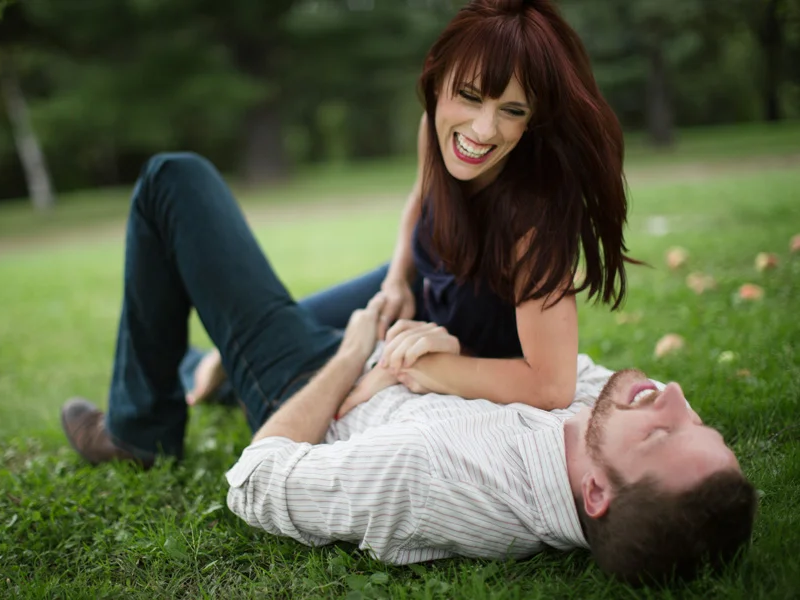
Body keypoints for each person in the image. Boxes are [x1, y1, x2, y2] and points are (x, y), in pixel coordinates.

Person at [60, 152, 756, 586]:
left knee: (173, 181)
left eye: (662, 436)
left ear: (598, 494)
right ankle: (201, 371)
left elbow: (256, 480)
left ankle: (141, 430)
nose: (672, 395)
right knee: (227, 329)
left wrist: (351, 351)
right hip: (398, 348)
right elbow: (559, 376)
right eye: (696, 421)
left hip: (317, 378)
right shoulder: (595, 433)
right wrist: (446, 356)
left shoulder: (431, 472)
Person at [185, 0, 637, 413]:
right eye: (470, 95)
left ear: (533, 121)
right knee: (261, 337)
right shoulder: (436, 133)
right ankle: (209, 366)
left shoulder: (533, 223)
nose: (482, 130)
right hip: (419, 287)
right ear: (438, 81)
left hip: (452, 338)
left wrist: (422, 368)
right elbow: (421, 198)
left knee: (277, 363)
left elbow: (552, 387)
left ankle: (213, 371)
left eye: (513, 110)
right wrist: (397, 278)